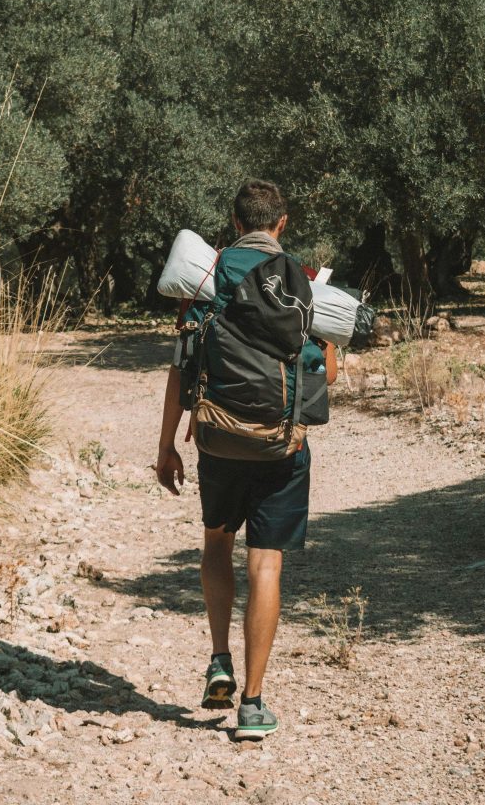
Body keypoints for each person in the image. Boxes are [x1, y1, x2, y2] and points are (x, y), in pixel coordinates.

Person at [155, 179, 336, 741]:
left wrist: (165, 447)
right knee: (265, 564)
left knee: (216, 544)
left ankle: (219, 660)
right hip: (281, 446)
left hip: (217, 441)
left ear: (235, 223)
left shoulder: (205, 277)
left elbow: (182, 369)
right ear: (282, 224)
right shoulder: (307, 282)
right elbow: (326, 374)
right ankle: (253, 705)